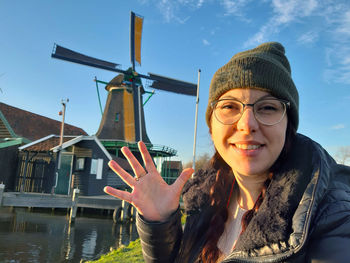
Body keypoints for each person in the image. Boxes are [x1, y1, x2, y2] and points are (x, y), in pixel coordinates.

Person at [104, 42, 350, 262]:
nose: (247, 124)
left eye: (267, 107)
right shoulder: (206, 199)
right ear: (212, 128)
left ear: (289, 127)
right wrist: (160, 224)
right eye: (230, 106)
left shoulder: (333, 216)